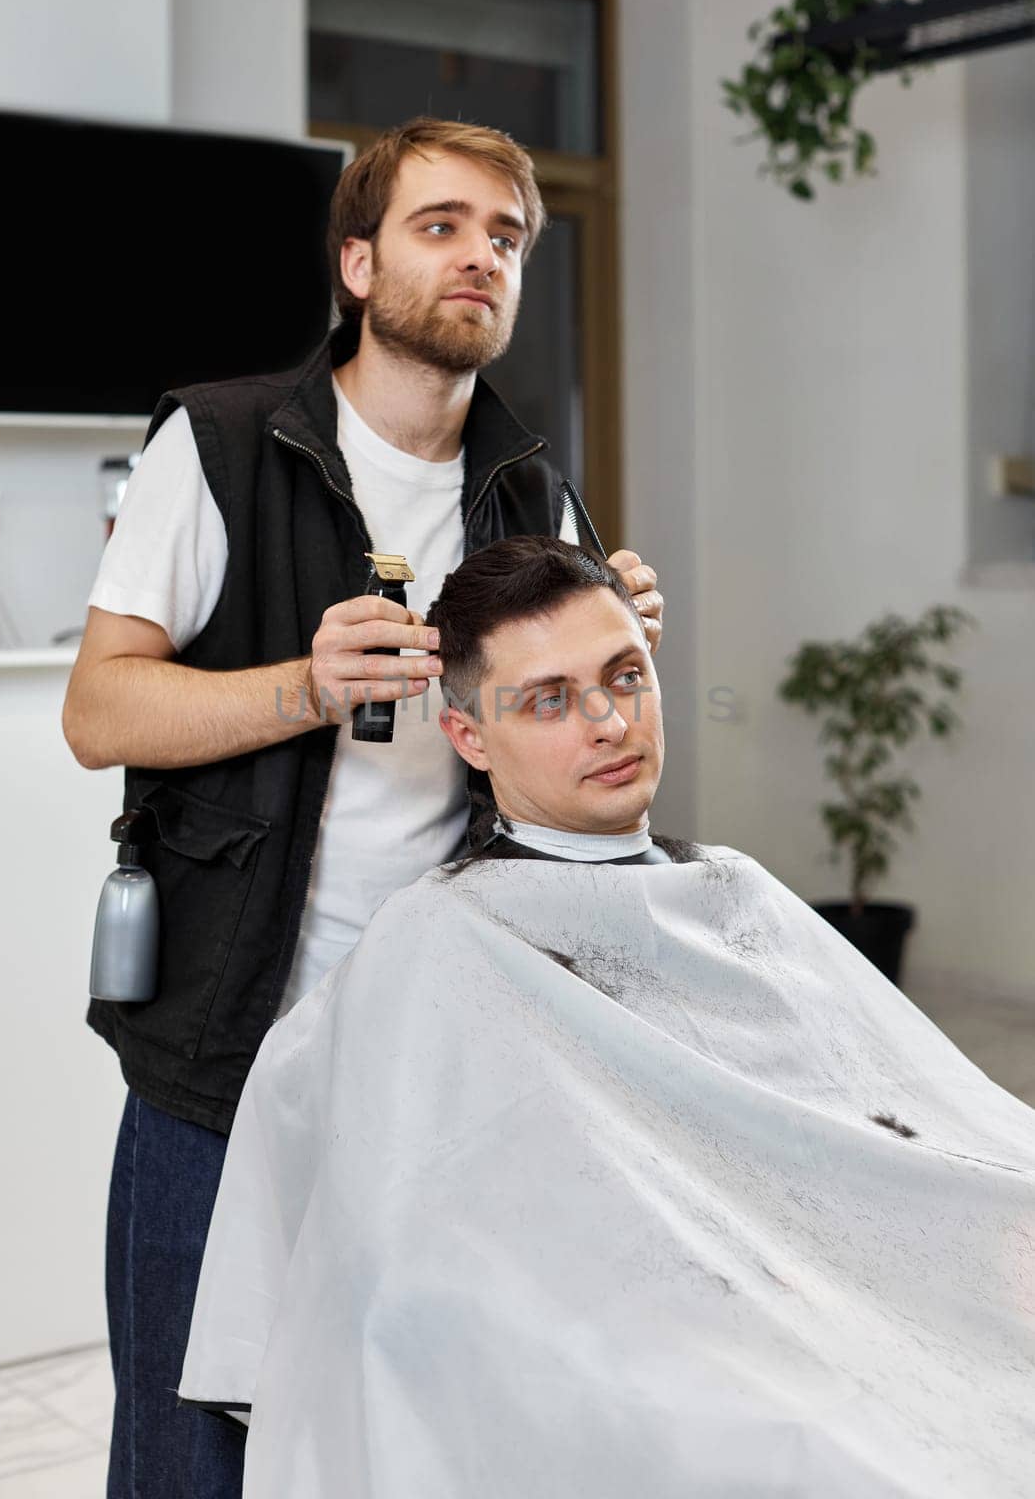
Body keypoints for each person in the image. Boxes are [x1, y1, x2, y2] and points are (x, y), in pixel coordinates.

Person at [60, 120, 665, 1499]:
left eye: (505, 237)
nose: (478, 258)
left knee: (403, 1435)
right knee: (186, 1453)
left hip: (443, 1057)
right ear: (356, 260)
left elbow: (541, 755)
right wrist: (304, 685)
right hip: (226, 1050)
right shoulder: (215, 445)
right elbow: (99, 714)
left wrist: (605, 663)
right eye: (439, 225)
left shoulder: (528, 484)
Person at [179, 537, 1035, 1499]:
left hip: (814, 1305)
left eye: (625, 676)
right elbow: (413, 1274)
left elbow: (902, 1130)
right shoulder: (437, 947)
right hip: (642, 1358)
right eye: (548, 699)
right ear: (468, 737)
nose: (608, 723)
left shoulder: (733, 896)